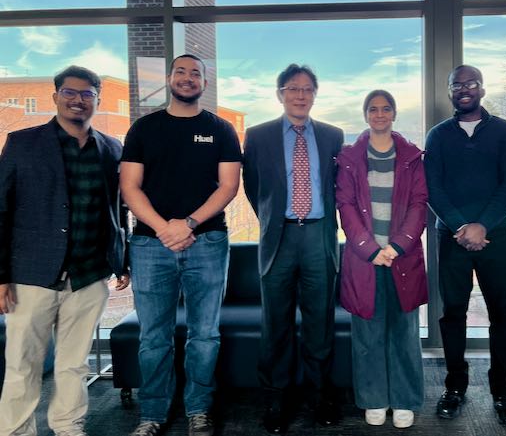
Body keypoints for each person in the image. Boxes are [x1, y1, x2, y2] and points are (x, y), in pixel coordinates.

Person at [0, 65, 129, 436]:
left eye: (87, 94)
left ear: (97, 100)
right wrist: (2, 275)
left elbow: (117, 209)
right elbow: (1, 209)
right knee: (23, 365)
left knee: (74, 365)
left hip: (89, 274)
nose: (78, 100)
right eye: (70, 92)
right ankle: (16, 431)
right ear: (56, 96)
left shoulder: (111, 148)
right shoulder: (22, 142)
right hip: (32, 274)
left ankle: (69, 427)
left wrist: (122, 260)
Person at [120, 54, 241, 436]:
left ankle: (198, 410)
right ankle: (152, 414)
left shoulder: (221, 129)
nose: (188, 78)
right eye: (181, 72)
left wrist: (188, 224)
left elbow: (229, 186)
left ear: (205, 82)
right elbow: (129, 187)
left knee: (204, 335)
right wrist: (164, 229)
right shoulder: (143, 128)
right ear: (170, 78)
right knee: (153, 337)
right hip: (149, 245)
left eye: (195, 73)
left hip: (207, 241)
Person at [243, 63, 344, 434]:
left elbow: (338, 185)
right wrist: (274, 219)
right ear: (280, 94)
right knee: (276, 323)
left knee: (320, 322)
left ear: (315, 95)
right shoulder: (258, 135)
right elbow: (253, 186)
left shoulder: (333, 135)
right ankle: (276, 397)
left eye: (307, 89)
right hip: (279, 237)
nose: (300, 95)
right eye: (293, 88)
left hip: (319, 236)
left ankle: (321, 395)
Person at [424, 64, 506, 425]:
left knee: (501, 314)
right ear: (450, 91)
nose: (464, 90)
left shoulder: (505, 132)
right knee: (453, 314)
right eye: (457, 85)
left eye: (471, 84)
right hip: (451, 238)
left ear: (482, 89)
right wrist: (461, 227)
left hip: (496, 236)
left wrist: (482, 225)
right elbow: (433, 187)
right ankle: (454, 387)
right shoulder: (437, 135)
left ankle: (503, 391)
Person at [336, 90, 428, 429]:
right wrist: (370, 249)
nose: (379, 114)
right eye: (373, 109)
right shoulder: (349, 157)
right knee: (368, 332)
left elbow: (419, 203)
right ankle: (374, 398)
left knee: (404, 331)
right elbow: (345, 205)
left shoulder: (411, 156)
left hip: (402, 257)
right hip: (364, 259)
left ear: (394, 113)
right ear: (365, 115)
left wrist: (397, 246)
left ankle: (405, 400)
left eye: (385, 108)